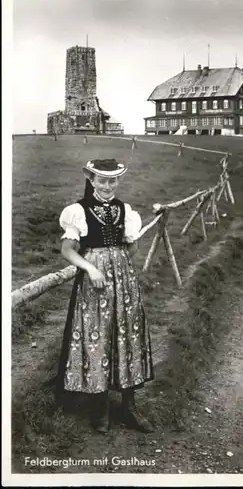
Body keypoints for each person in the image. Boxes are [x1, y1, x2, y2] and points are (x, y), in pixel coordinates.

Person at [56, 158, 154, 434]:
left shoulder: (125, 210)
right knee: (96, 334)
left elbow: (131, 247)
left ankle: (129, 406)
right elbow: (67, 249)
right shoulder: (78, 210)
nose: (108, 186)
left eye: (113, 180)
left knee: (127, 335)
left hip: (123, 283)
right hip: (94, 284)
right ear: (91, 180)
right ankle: (100, 408)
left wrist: (118, 262)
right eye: (102, 180)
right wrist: (91, 267)